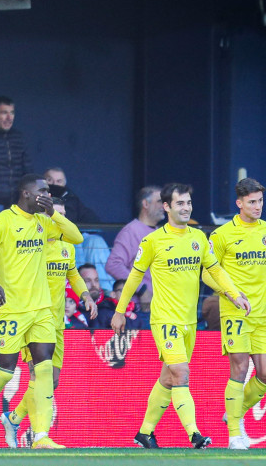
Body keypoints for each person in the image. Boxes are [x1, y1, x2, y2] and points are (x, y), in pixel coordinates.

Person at [111, 183, 250, 450]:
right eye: (180, 204)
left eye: (188, 203)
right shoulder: (152, 241)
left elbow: (216, 270)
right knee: (182, 374)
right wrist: (120, 311)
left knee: (168, 377)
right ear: (166, 207)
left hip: (189, 321)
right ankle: (195, 435)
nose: (186, 208)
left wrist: (234, 294)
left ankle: (145, 433)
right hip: (165, 320)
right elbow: (134, 277)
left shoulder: (198, 237)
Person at [0, 174, 85, 450]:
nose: (47, 195)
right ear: (26, 194)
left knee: (43, 371)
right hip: (12, 309)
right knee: (5, 372)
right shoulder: (3, 221)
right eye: (42, 191)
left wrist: (54, 213)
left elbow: (75, 237)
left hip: (42, 310)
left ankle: (40, 436)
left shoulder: (45, 221)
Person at [0, 192, 98, 448]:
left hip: (57, 323)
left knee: (52, 381)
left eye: (63, 216)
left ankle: (13, 417)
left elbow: (73, 274)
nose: (60, 220)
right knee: (38, 376)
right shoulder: (34, 248)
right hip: (34, 320)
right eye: (55, 215)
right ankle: (40, 436)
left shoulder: (67, 247)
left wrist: (85, 294)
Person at [203, 178, 266, 450]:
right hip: (235, 312)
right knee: (239, 369)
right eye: (252, 202)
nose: (258, 206)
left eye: (260, 201)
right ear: (239, 203)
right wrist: (230, 294)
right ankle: (235, 434)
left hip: (263, 314)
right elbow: (207, 273)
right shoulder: (221, 235)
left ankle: (234, 413)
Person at [105, 186, 164, 308]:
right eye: (159, 201)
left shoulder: (160, 232)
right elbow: (113, 264)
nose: (164, 206)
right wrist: (141, 289)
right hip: (142, 310)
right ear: (145, 204)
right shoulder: (131, 231)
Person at [76, 263, 117, 329]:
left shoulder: (110, 305)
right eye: (87, 281)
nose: (93, 285)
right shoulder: (69, 307)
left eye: (96, 280)